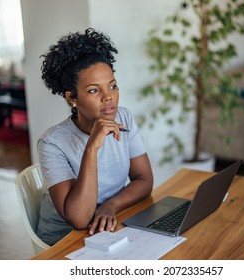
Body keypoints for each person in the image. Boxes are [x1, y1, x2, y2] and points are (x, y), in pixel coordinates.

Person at [36, 28, 153, 246]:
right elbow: (79, 219)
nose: (108, 97)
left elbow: (144, 181)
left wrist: (111, 205)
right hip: (64, 241)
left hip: (108, 225)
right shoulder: (52, 143)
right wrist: (92, 147)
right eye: (93, 91)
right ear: (72, 98)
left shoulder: (124, 117)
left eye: (113, 86)